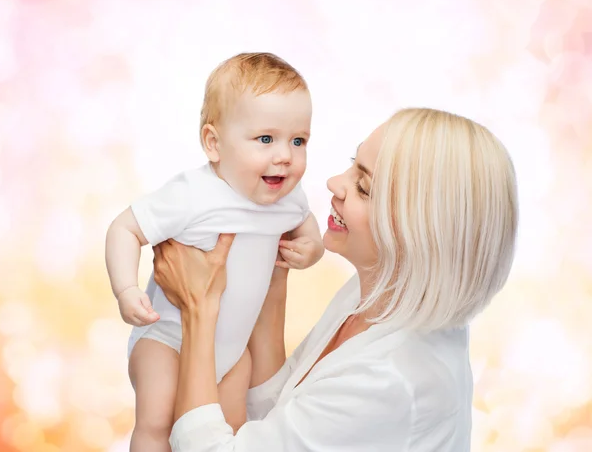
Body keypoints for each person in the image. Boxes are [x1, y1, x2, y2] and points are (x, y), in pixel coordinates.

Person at [151, 107, 519, 452]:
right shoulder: (380, 293)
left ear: (420, 233)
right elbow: (279, 413)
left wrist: (198, 308)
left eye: (364, 188)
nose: (333, 184)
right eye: (352, 166)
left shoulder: (392, 379)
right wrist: (274, 276)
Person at [105, 52, 324, 452]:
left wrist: (311, 250)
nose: (285, 155)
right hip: (168, 338)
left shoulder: (288, 198)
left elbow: (307, 228)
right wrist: (125, 289)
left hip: (232, 351)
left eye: (299, 140)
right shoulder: (194, 195)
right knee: (157, 423)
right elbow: (124, 228)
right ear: (213, 144)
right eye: (265, 139)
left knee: (230, 431)